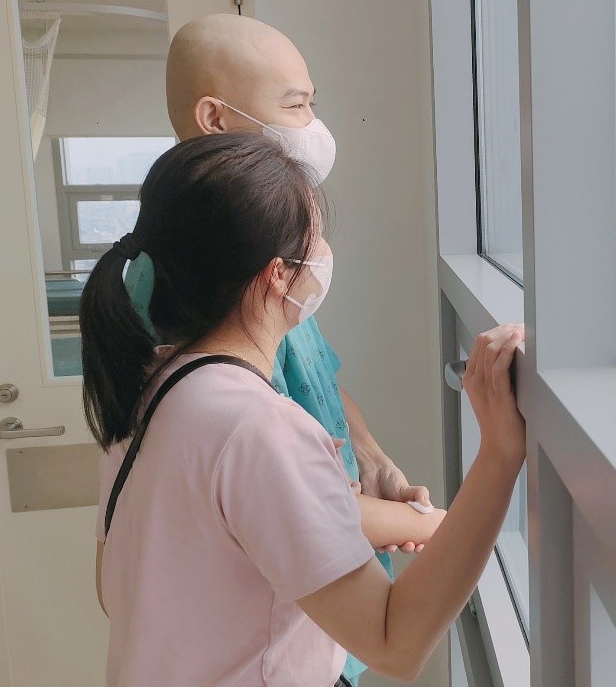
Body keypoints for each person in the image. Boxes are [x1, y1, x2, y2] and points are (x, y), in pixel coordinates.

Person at [82, 133, 525, 686]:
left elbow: (115, 588)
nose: (324, 257)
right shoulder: (259, 427)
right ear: (275, 274)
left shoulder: (149, 390)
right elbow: (395, 644)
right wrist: (499, 453)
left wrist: (324, 515)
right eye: (316, 241)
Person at [125, 16, 427, 683]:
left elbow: (315, 374)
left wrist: (373, 460)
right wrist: (427, 522)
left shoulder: (261, 258)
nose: (314, 126)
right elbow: (260, 479)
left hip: (324, 616)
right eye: (295, 106)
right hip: (279, 631)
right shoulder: (181, 286)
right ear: (214, 117)